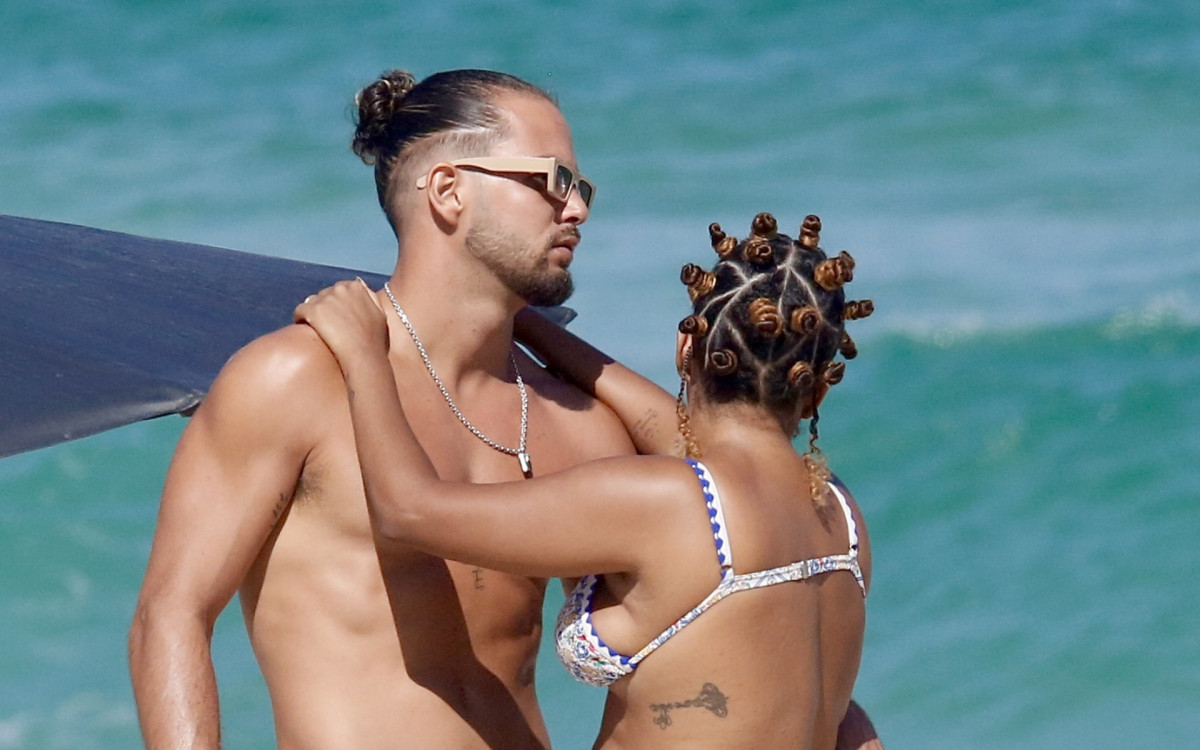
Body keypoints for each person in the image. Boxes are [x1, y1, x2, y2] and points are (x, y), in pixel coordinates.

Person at [128, 68, 637, 749]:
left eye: (581, 189)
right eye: (552, 180)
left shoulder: (579, 425)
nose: (575, 209)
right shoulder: (297, 380)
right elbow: (172, 614)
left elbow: (704, 594)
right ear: (450, 191)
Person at [295, 210, 880, 748]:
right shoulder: (839, 519)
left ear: (686, 348)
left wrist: (364, 355)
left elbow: (409, 512)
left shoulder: (664, 502)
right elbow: (686, 436)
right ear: (821, 385)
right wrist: (522, 322)